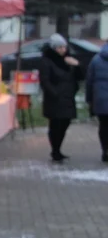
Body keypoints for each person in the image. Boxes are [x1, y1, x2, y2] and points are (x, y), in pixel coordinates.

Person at [39, 33, 81, 162]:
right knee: (55, 125)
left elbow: (80, 77)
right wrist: (55, 93)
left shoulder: (68, 60)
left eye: (64, 47)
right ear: (53, 48)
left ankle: (58, 149)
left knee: (65, 123)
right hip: (55, 99)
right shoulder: (47, 61)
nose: (62, 50)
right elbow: (45, 80)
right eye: (59, 48)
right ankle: (55, 151)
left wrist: (77, 65)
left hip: (68, 97)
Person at [85, 42, 108, 162]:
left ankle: (105, 150)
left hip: (100, 99)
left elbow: (89, 82)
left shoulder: (96, 59)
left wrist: (89, 99)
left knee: (104, 126)